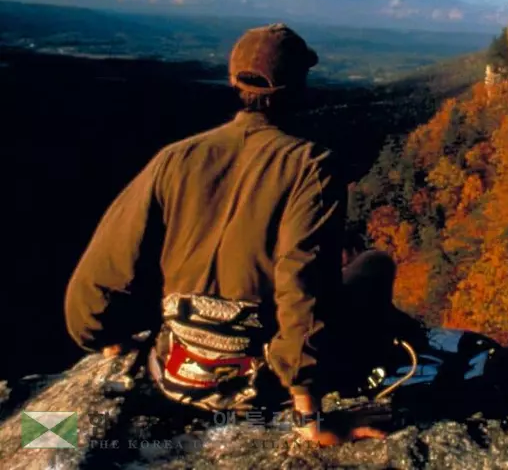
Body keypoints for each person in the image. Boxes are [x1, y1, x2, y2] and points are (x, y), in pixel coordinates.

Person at [64, 23, 385, 445]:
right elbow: (302, 281)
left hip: (173, 371)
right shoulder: (312, 166)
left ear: (235, 81)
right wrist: (310, 416)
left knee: (46, 435)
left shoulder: (176, 157)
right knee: (375, 264)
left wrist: (106, 339)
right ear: (297, 86)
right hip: (256, 384)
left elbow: (106, 268)